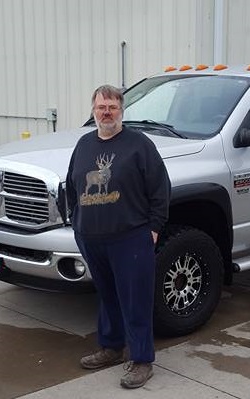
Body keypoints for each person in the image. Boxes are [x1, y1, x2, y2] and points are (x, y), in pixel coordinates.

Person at [66, 84, 171, 389]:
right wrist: (77, 222)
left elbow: (160, 188)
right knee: (108, 295)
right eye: (102, 107)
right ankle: (111, 347)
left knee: (135, 298)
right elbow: (73, 185)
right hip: (91, 237)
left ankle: (141, 359)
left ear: (121, 111)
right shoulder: (84, 144)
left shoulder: (139, 145)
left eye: (112, 107)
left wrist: (153, 227)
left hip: (131, 237)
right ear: (93, 110)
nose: (107, 112)